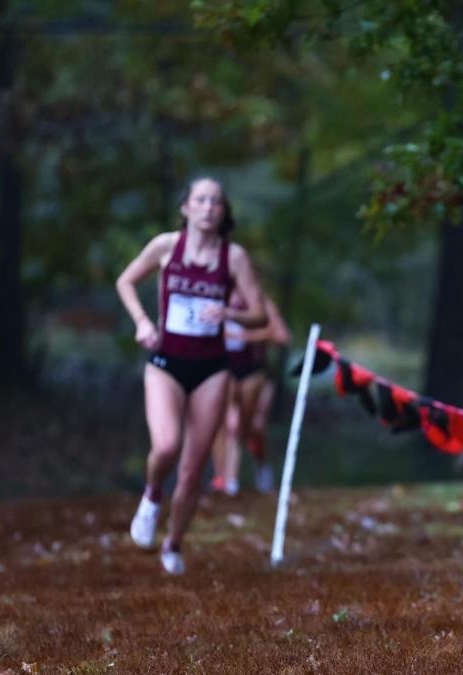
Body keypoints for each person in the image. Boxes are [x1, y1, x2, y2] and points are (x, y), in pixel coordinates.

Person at [116, 177, 268, 575]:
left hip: (212, 368)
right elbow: (126, 280)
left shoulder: (234, 257)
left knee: (192, 467)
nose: (208, 207)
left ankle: (174, 544)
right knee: (166, 447)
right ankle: (151, 497)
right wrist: (142, 322)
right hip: (166, 362)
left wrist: (229, 313)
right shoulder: (166, 246)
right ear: (185, 207)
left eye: (216, 202)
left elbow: (260, 314)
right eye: (200, 200)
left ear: (224, 212)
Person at [210, 295, 290, 496]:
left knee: (254, 428)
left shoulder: (259, 302)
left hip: (254, 373)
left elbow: (281, 335)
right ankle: (226, 479)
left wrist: (246, 336)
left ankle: (261, 465)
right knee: (228, 425)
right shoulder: (216, 294)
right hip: (224, 370)